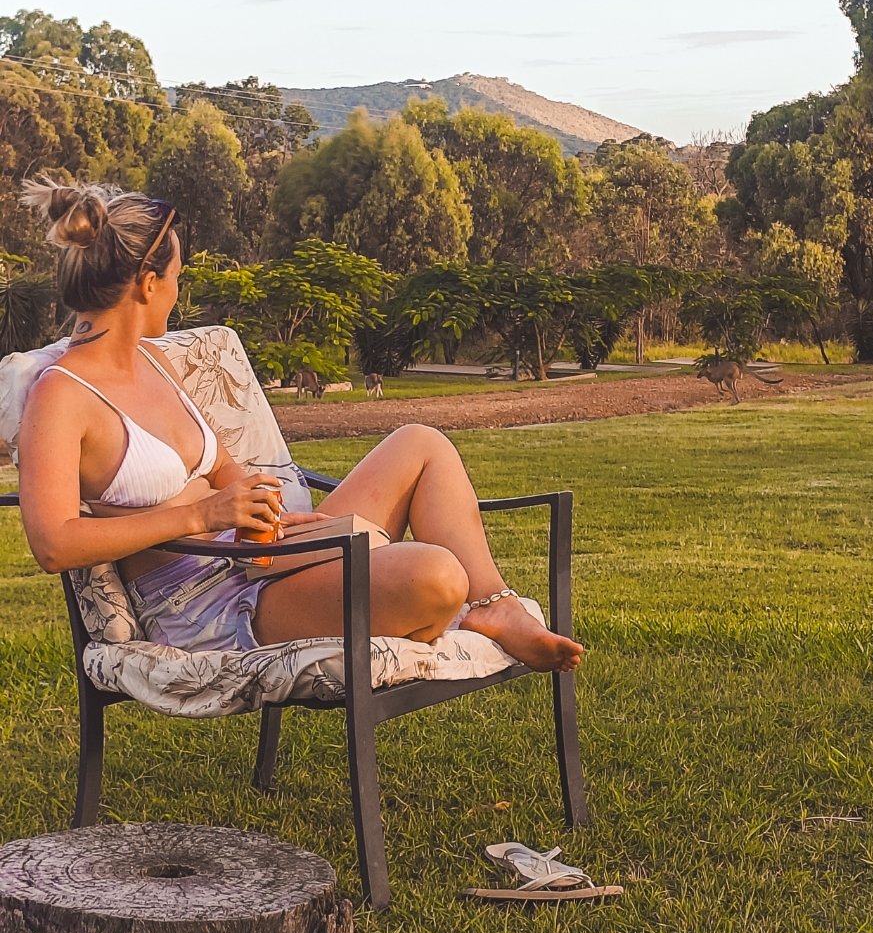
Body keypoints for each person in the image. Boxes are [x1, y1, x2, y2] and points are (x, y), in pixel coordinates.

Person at [15, 179, 583, 673]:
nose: (178, 290)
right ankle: (442, 602)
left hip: (261, 556)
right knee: (435, 574)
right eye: (177, 276)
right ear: (147, 283)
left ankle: (493, 605)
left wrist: (270, 515)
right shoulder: (61, 395)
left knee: (422, 443)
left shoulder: (157, 362)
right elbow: (54, 543)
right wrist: (202, 514)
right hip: (204, 602)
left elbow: (222, 470)